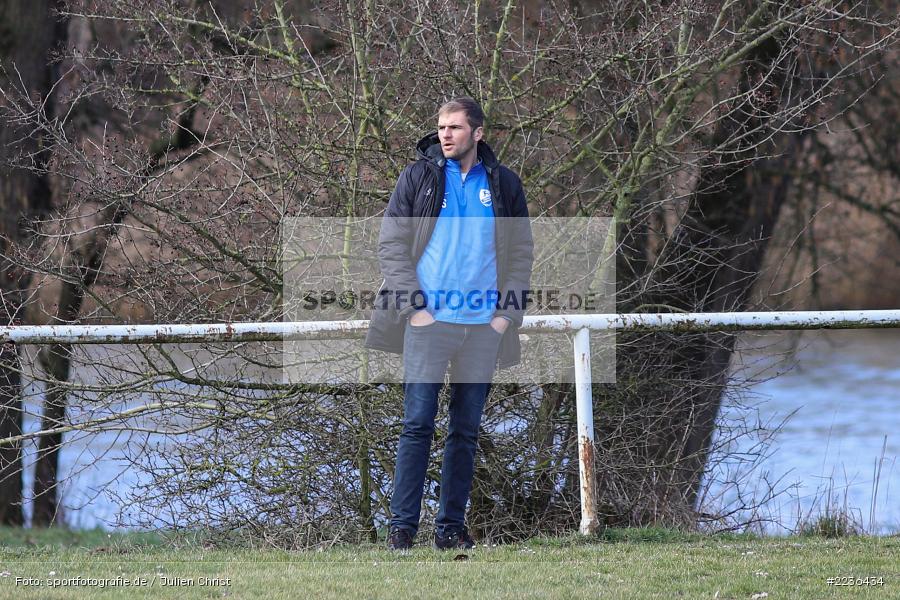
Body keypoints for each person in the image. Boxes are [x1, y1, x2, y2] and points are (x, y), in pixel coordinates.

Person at [364, 97, 533, 551]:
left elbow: (520, 255)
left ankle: (450, 529)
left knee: (466, 430)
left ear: (478, 133)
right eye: (441, 127)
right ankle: (402, 529)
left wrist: (506, 317)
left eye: (455, 127)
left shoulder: (503, 184)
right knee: (417, 424)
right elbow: (391, 246)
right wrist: (415, 310)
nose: (445, 134)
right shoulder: (418, 177)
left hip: (483, 328)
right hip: (428, 324)